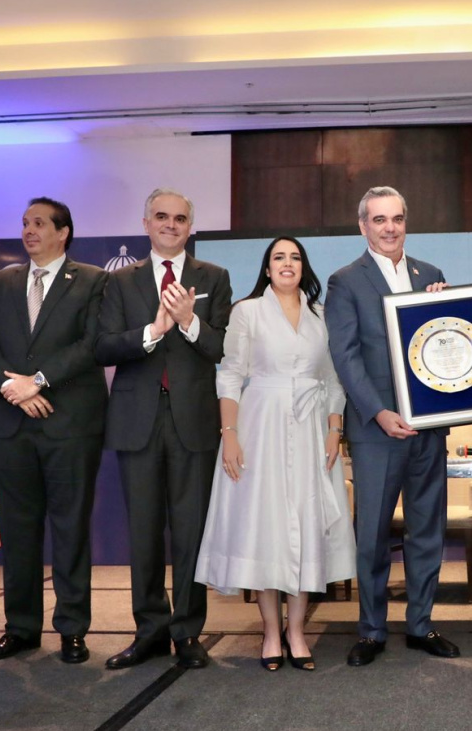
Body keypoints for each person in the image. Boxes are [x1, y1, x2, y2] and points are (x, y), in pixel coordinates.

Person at [195, 236, 356, 671]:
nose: (287, 263)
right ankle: (270, 631)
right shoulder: (247, 312)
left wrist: (334, 429)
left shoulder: (321, 316)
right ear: (267, 269)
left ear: (304, 267)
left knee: (304, 526)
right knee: (266, 527)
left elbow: (334, 379)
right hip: (259, 426)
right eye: (278, 258)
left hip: (310, 431)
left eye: (295, 257)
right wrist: (229, 433)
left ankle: (297, 632)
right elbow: (229, 374)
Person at [94, 188, 232, 670]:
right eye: (161, 217)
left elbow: (220, 350)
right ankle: (149, 631)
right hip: (138, 423)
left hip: (194, 423)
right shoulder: (120, 282)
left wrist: (189, 321)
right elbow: (105, 347)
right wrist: (154, 331)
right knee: (145, 533)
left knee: (191, 533)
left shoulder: (214, 277)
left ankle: (188, 633)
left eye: (179, 218)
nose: (170, 224)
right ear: (146, 223)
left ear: (191, 226)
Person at [0, 197, 108, 664]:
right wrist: (14, 387)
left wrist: (39, 381)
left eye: (40, 223)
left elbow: (92, 343)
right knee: (18, 529)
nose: (29, 230)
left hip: (68, 424)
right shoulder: (0, 281)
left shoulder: (92, 280)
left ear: (63, 232)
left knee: (69, 529)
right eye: (25, 223)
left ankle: (71, 629)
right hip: (10, 425)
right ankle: (21, 628)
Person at [326, 186, 459, 667]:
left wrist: (452, 307)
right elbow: (346, 357)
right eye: (379, 219)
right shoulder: (345, 281)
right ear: (363, 226)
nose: (389, 228)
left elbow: (448, 345)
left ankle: (421, 625)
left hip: (429, 428)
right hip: (377, 430)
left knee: (428, 529)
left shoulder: (432, 275)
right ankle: (372, 630)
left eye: (397, 218)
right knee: (374, 535)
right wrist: (379, 412)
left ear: (406, 222)